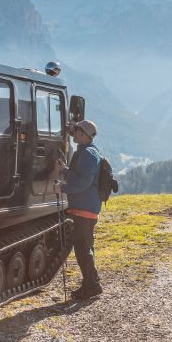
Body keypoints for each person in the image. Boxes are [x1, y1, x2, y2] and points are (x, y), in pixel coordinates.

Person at [54, 119, 103, 300]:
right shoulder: (88, 151)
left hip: (85, 207)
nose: (73, 134)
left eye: (76, 131)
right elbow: (80, 176)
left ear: (83, 135)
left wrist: (63, 188)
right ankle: (90, 283)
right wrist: (65, 170)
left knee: (82, 248)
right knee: (85, 247)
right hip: (86, 206)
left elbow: (84, 182)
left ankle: (93, 285)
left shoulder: (88, 154)